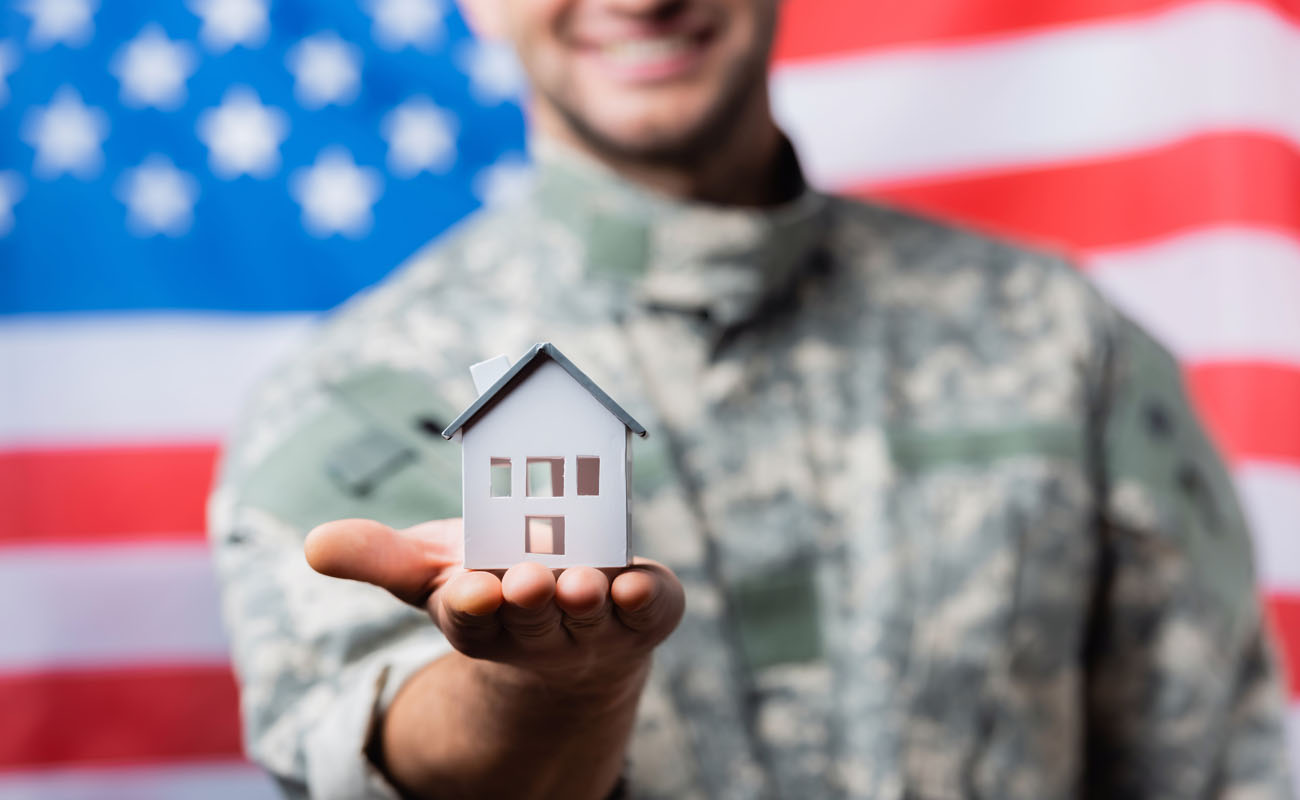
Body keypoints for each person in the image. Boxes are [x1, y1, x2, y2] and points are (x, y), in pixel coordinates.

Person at [208, 0, 1294, 797]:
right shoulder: (352, 394)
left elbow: (1213, 763)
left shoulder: (1059, 338)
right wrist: (555, 686)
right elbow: (385, 757)